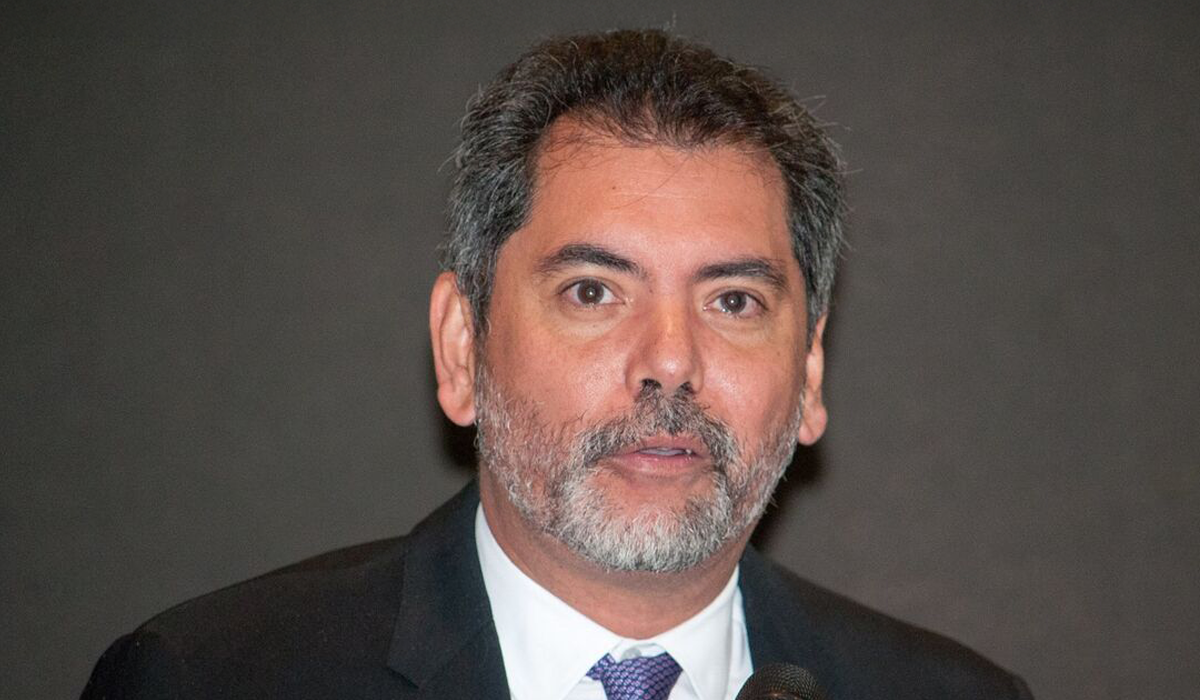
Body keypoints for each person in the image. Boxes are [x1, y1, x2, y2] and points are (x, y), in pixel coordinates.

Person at [82, 29, 1034, 700]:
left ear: (812, 373)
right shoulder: (214, 679)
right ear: (463, 346)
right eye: (593, 291)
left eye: (733, 301)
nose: (671, 362)